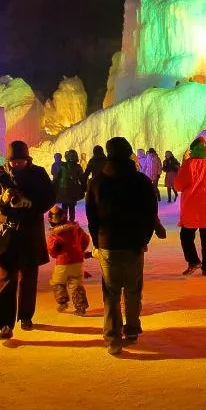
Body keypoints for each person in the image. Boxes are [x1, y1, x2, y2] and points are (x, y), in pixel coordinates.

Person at [86, 137, 165, 355]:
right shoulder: (141, 181)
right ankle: (131, 329)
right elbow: (150, 213)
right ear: (129, 153)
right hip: (133, 245)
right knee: (132, 289)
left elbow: (92, 217)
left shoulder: (97, 182)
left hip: (108, 244)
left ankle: (112, 337)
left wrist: (97, 242)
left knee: (111, 292)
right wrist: (143, 239)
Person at [0, 140, 56, 340]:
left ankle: (25, 316)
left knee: (29, 278)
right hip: (7, 234)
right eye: (14, 161)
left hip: (31, 233)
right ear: (9, 160)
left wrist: (31, 203)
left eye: (21, 161)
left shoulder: (39, 174)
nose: (18, 164)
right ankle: (5, 324)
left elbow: (50, 196)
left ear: (27, 159)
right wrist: (2, 200)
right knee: (8, 278)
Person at [175, 136, 206, 276]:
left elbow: (178, 185)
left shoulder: (190, 164)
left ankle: (193, 261)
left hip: (193, 205)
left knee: (186, 236)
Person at [46, 205, 90, 315]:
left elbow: (51, 249)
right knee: (76, 283)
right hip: (78, 260)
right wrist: (80, 250)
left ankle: (62, 302)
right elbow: (86, 239)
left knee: (58, 282)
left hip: (63, 262)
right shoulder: (76, 228)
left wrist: (56, 255)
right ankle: (81, 307)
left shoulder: (54, 234)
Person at [55, 149, 85, 222]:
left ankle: (64, 222)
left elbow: (57, 178)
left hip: (63, 190)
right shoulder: (77, 167)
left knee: (64, 206)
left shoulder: (62, 166)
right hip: (72, 190)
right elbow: (82, 179)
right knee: (72, 207)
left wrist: (55, 188)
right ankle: (71, 223)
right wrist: (84, 188)